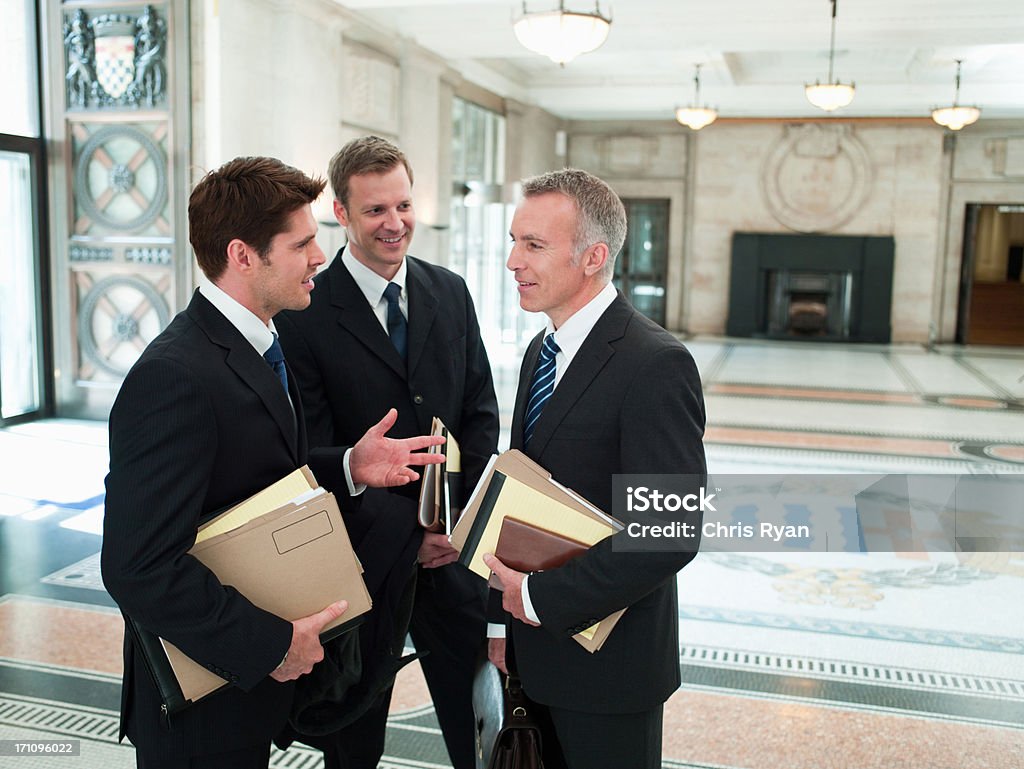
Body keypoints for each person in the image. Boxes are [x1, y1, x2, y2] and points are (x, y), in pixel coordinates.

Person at [102, 156, 444, 769]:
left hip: (245, 689)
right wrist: (271, 643)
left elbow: (251, 474)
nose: (320, 256)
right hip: (200, 701)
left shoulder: (258, 340)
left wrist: (347, 467)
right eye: (303, 242)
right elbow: (138, 567)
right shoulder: (172, 376)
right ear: (242, 254)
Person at [276, 136, 498, 769]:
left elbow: (479, 416)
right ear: (340, 214)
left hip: (449, 554)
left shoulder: (449, 291)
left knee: (476, 722)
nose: (395, 223)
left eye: (403, 205)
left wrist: (457, 523)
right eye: (375, 210)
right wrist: (405, 530)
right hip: (362, 561)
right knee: (354, 732)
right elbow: (309, 447)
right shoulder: (304, 311)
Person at [483, 168, 707, 769]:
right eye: (514, 240)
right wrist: (503, 622)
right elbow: (520, 496)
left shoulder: (655, 364)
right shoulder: (541, 350)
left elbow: (669, 533)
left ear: (594, 257)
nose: (512, 261)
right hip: (532, 653)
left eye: (533, 245)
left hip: (611, 672)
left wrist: (537, 599)